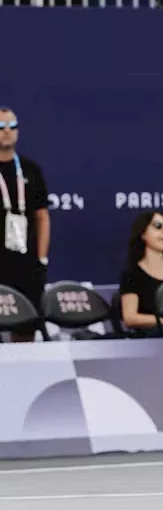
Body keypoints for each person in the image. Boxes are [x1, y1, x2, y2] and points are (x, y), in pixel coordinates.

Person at [0, 106, 49, 343]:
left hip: (27, 265)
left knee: (26, 328)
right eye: (1, 127)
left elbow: (42, 217)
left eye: (12, 126)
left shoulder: (30, 169)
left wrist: (41, 258)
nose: (7, 132)